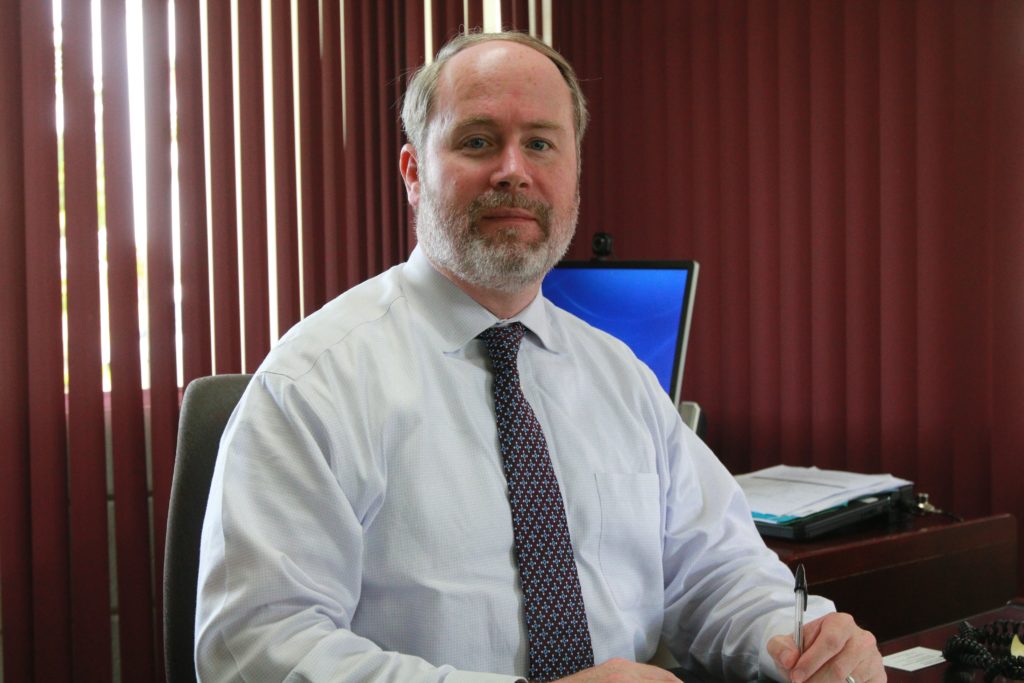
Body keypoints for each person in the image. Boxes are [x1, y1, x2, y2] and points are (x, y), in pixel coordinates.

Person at [195, 31, 886, 683]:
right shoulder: (315, 382)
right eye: (477, 140)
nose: (513, 170)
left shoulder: (622, 379)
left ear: (575, 173)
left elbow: (713, 570)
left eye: (542, 144)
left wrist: (796, 641)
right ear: (413, 172)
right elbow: (256, 647)